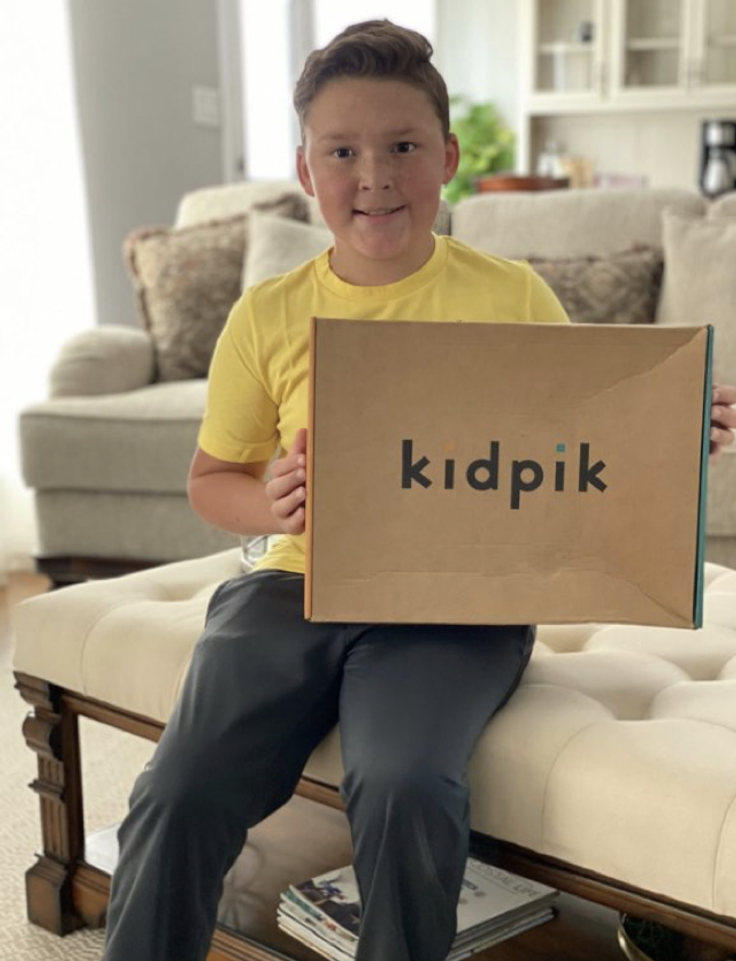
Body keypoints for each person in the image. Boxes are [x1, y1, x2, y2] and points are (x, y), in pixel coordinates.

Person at [102, 20, 736, 961]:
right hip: (291, 587)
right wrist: (271, 500)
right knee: (177, 789)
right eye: (343, 151)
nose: (376, 175)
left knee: (405, 783)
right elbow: (211, 481)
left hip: (458, 601)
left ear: (445, 158)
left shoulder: (513, 295)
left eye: (403, 147)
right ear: (307, 170)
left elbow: (580, 451)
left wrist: (676, 436)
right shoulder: (268, 313)